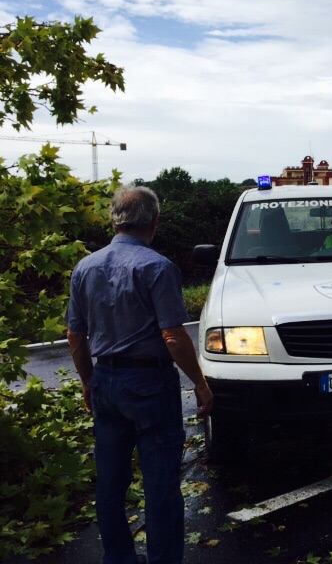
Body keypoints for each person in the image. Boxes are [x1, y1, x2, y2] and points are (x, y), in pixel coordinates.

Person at [66, 184, 214, 564]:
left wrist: (87, 381)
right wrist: (199, 382)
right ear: (154, 221)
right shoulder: (158, 267)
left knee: (111, 484)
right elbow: (173, 335)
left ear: (114, 219)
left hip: (106, 382)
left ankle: (118, 559)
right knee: (161, 485)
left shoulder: (84, 267)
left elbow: (74, 334)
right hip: (150, 385)